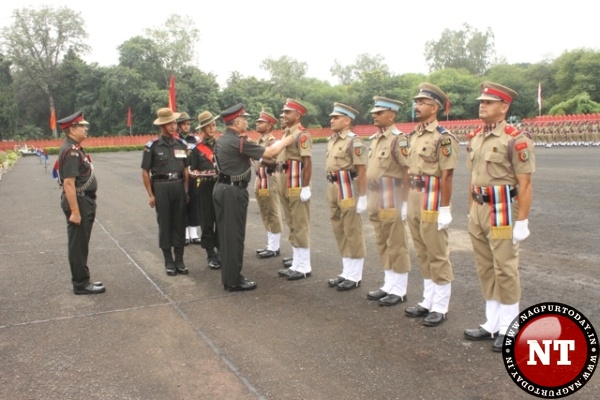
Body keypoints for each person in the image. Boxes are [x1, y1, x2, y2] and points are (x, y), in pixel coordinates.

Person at [464, 82, 535, 352]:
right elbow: (473, 177)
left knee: (504, 267)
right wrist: (471, 209)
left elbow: (525, 183)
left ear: (504, 107)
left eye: (489, 102)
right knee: (485, 266)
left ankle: (509, 326)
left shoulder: (515, 139)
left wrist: (522, 221)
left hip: (503, 210)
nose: (482, 105)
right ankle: (491, 322)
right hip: (480, 209)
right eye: (481, 101)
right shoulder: (476, 137)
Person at [213, 103, 294, 291]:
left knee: (226, 236)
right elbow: (271, 152)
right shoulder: (238, 141)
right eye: (245, 119)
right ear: (238, 122)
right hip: (232, 192)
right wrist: (286, 141)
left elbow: (256, 159)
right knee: (234, 237)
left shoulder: (223, 139)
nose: (247, 122)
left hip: (223, 188)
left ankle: (229, 277)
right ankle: (233, 281)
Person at [404, 83, 459, 326]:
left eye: (422, 102)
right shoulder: (414, 135)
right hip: (415, 196)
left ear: (435, 107)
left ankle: (441, 305)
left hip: (432, 198)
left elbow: (447, 176)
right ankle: (428, 299)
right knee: (422, 250)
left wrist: (445, 208)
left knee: (437, 252)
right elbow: (409, 170)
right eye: (416, 102)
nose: (417, 106)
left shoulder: (443, 138)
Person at [365, 96, 411, 306]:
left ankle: (400, 288)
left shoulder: (398, 139)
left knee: (396, 242)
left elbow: (406, 170)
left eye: (379, 112)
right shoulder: (375, 139)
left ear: (391, 115)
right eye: (374, 112)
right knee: (382, 239)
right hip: (376, 195)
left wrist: (405, 201)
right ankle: (388, 283)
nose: (374, 115)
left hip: (390, 195)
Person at [56, 111, 105, 295]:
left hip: (84, 200)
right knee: (78, 244)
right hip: (79, 202)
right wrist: (75, 211)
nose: (86, 129)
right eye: (82, 126)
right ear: (72, 129)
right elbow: (68, 182)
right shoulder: (72, 152)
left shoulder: (74, 148)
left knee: (81, 243)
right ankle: (80, 284)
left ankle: (83, 279)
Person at [141, 108, 190, 276]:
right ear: (162, 125)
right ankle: (168, 261)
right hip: (161, 186)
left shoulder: (181, 145)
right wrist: (150, 194)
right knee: (165, 224)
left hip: (178, 186)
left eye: (174, 122)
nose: (173, 126)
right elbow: (145, 172)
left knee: (180, 223)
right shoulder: (152, 146)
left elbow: (185, 170)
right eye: (169, 123)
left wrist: (186, 191)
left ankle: (180, 260)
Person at [325, 103, 367, 291]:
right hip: (333, 186)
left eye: (336, 117)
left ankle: (355, 275)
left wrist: (364, 196)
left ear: (347, 120)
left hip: (348, 187)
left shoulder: (354, 141)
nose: (332, 120)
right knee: (339, 228)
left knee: (352, 229)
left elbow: (362, 170)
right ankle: (346, 271)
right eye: (332, 117)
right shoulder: (332, 140)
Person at [276, 99, 313, 281]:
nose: (283, 115)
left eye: (287, 112)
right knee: (291, 222)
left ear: (297, 115)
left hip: (296, 181)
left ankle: (304, 265)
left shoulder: (301, 135)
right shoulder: (286, 134)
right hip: (285, 180)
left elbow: (307, 162)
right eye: (283, 112)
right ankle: (296, 263)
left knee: (300, 223)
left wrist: (305, 187)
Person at [190, 111, 221, 269]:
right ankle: (210, 253)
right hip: (205, 187)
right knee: (207, 220)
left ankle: (221, 250)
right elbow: (192, 170)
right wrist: (196, 174)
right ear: (203, 128)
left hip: (221, 186)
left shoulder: (221, 144)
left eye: (214, 125)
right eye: (208, 126)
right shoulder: (197, 149)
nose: (212, 128)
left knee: (221, 220)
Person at [253, 110, 284, 259]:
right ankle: (270, 243)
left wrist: (258, 158)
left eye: (261, 122)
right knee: (265, 210)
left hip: (269, 179)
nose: (257, 124)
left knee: (272, 211)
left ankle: (274, 246)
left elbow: (275, 164)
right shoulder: (259, 141)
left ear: (269, 125)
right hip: (260, 179)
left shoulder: (273, 142)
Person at [177, 112, 201, 245]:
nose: (186, 126)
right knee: (182, 204)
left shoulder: (195, 140)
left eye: (188, 124)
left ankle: (194, 233)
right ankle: (185, 233)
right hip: (181, 176)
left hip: (194, 175)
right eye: (184, 124)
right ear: (179, 126)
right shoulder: (175, 140)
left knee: (194, 203)